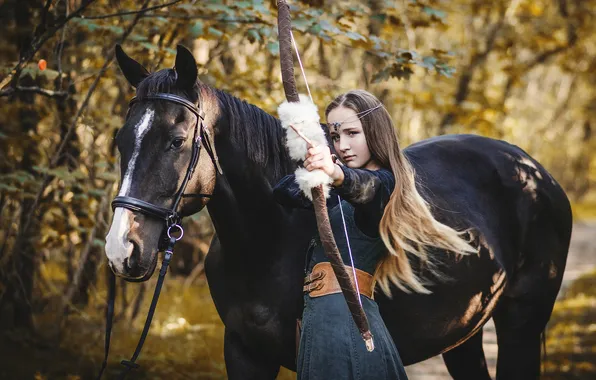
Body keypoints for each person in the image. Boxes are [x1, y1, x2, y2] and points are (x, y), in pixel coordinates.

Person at [273, 90, 474, 380]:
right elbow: (282, 192)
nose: (343, 146)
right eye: (336, 136)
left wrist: (335, 172)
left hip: (346, 323)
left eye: (353, 133)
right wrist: (316, 166)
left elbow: (364, 188)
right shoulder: (335, 188)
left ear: (375, 132)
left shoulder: (387, 184)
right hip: (322, 322)